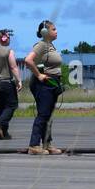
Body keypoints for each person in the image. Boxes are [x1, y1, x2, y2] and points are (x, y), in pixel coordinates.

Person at [23, 20, 64, 155]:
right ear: (45, 32)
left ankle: (47, 143)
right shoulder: (41, 45)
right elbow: (28, 60)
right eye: (54, 29)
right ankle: (34, 145)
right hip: (43, 84)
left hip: (52, 83)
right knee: (43, 114)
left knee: (49, 115)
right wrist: (39, 75)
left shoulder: (50, 45)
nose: (56, 31)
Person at [0, 29, 22, 140]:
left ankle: (3, 133)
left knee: (0, 107)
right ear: (3, 38)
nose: (9, 38)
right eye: (8, 37)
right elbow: (13, 67)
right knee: (12, 105)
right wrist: (19, 80)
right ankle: (0, 123)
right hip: (6, 82)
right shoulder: (9, 51)